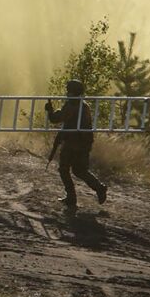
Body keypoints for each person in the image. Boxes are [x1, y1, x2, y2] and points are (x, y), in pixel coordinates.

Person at [45, 79, 108, 209]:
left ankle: (71, 197)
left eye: (69, 91)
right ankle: (99, 188)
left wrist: (50, 111)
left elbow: (57, 119)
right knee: (80, 171)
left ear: (73, 92)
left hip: (73, 143)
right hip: (83, 143)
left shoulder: (72, 105)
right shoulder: (84, 105)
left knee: (64, 169)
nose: (67, 93)